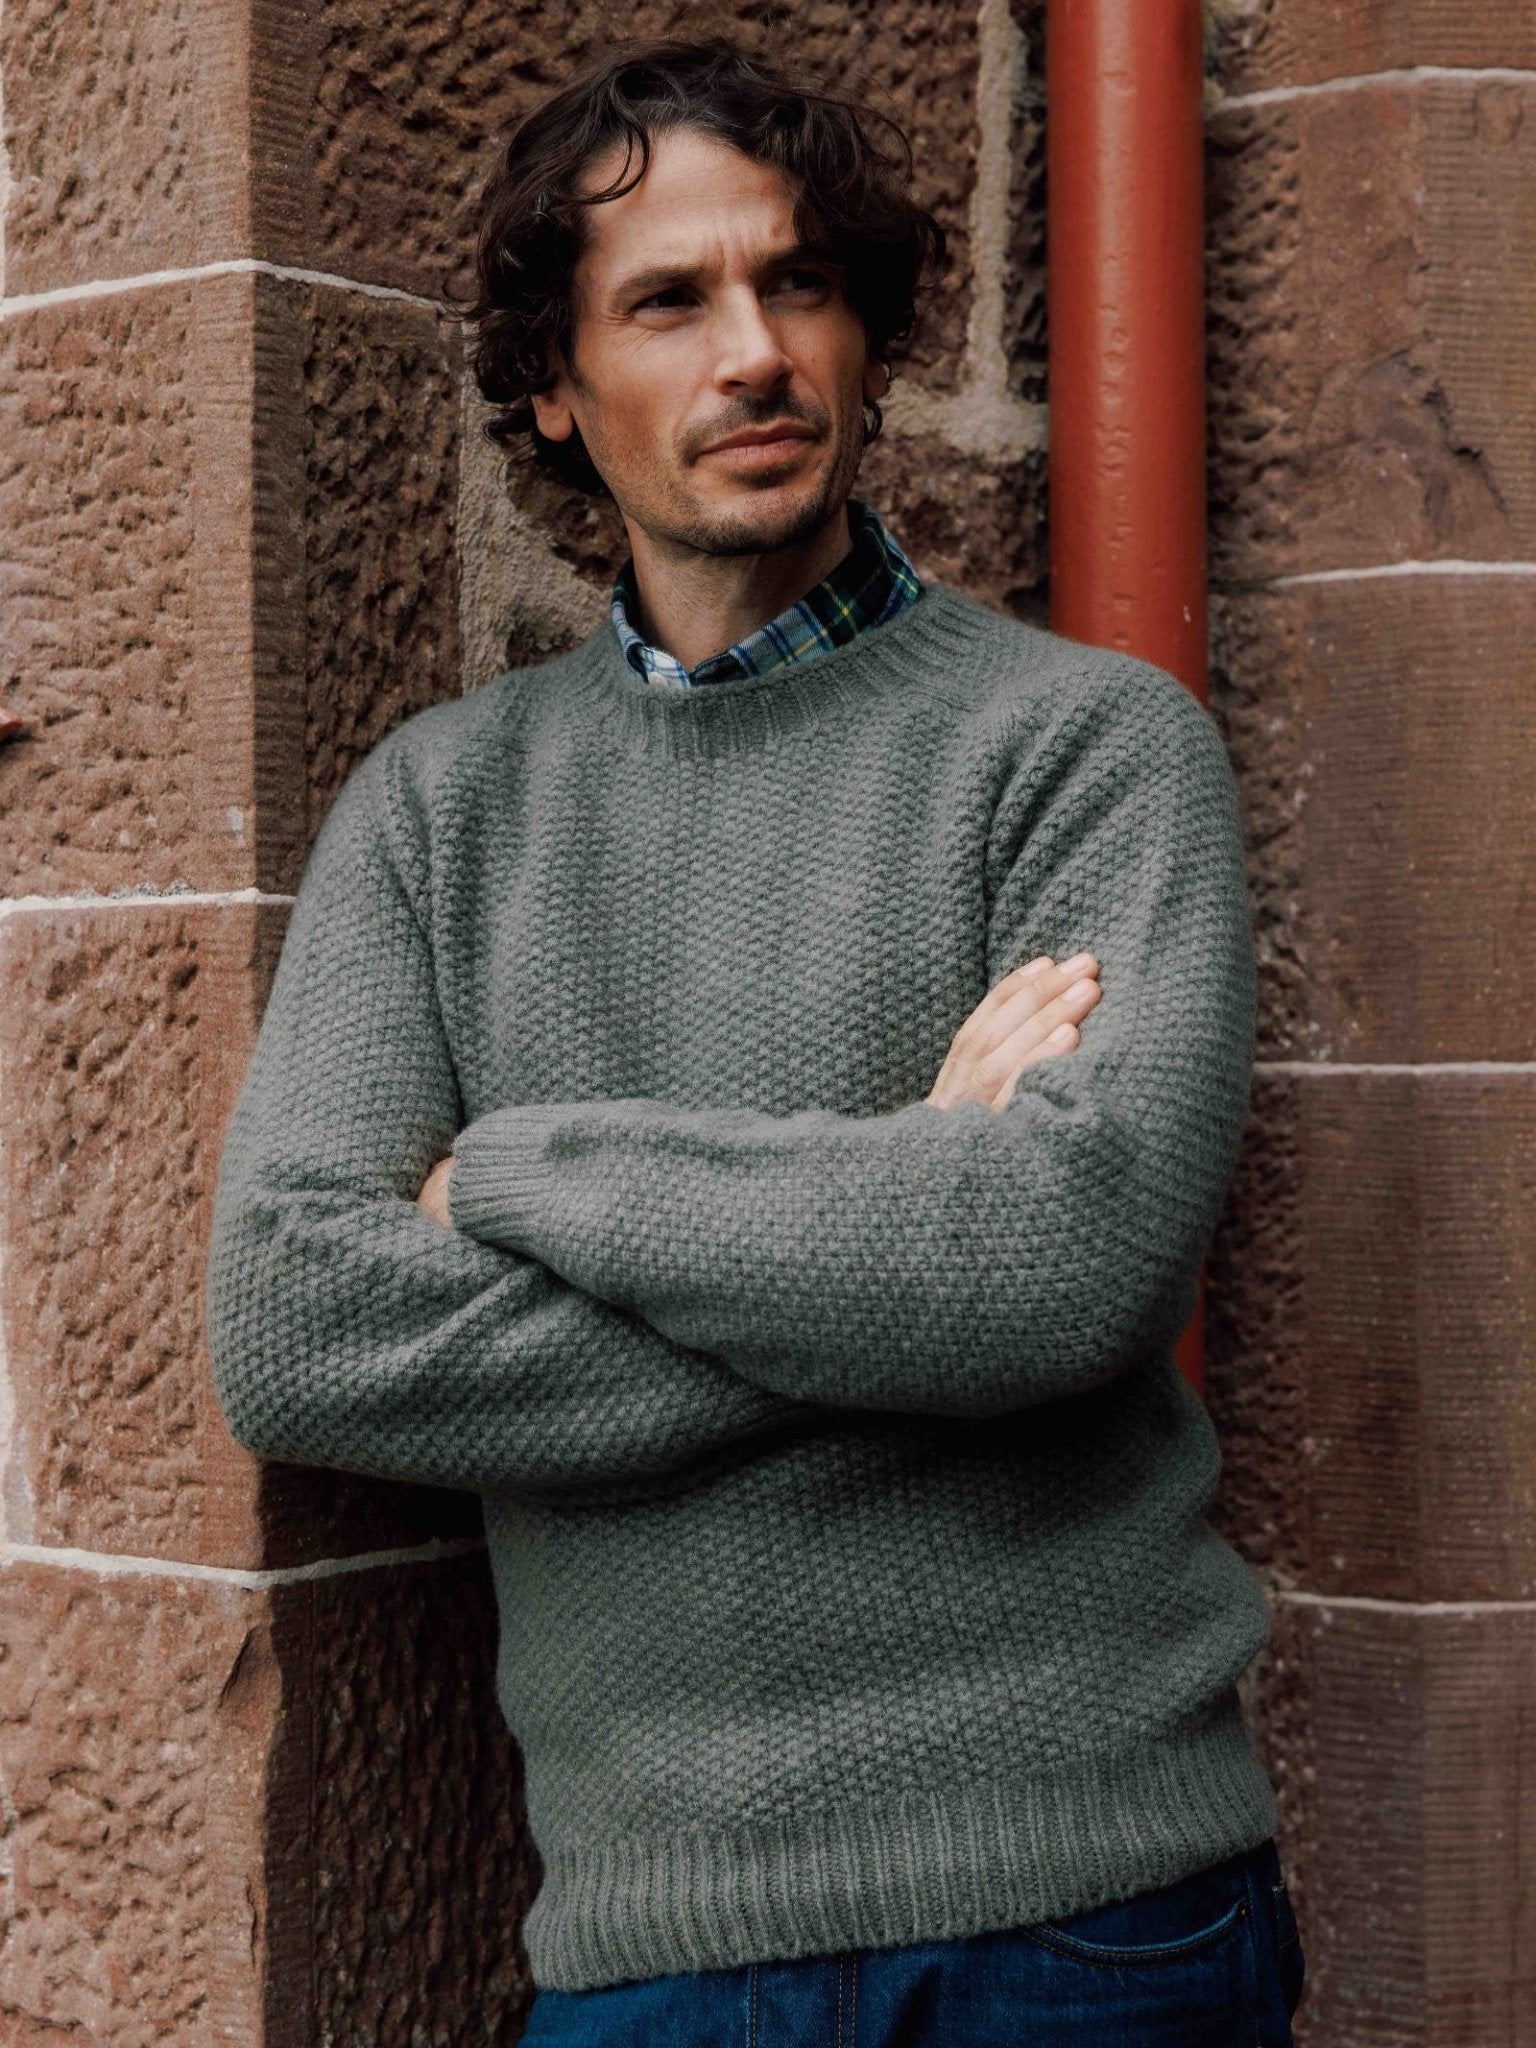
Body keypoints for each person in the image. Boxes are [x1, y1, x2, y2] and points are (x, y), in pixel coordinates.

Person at [204, 32, 1307, 2045]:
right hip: (652, 1947)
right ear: (556, 382)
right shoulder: (442, 813)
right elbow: (297, 1322)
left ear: (872, 334)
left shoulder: (1084, 751)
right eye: (669, 301)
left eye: (798, 281)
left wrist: (530, 1174)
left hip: (1089, 1915)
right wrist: (904, 1211)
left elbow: (1059, 1264)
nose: (755, 352)